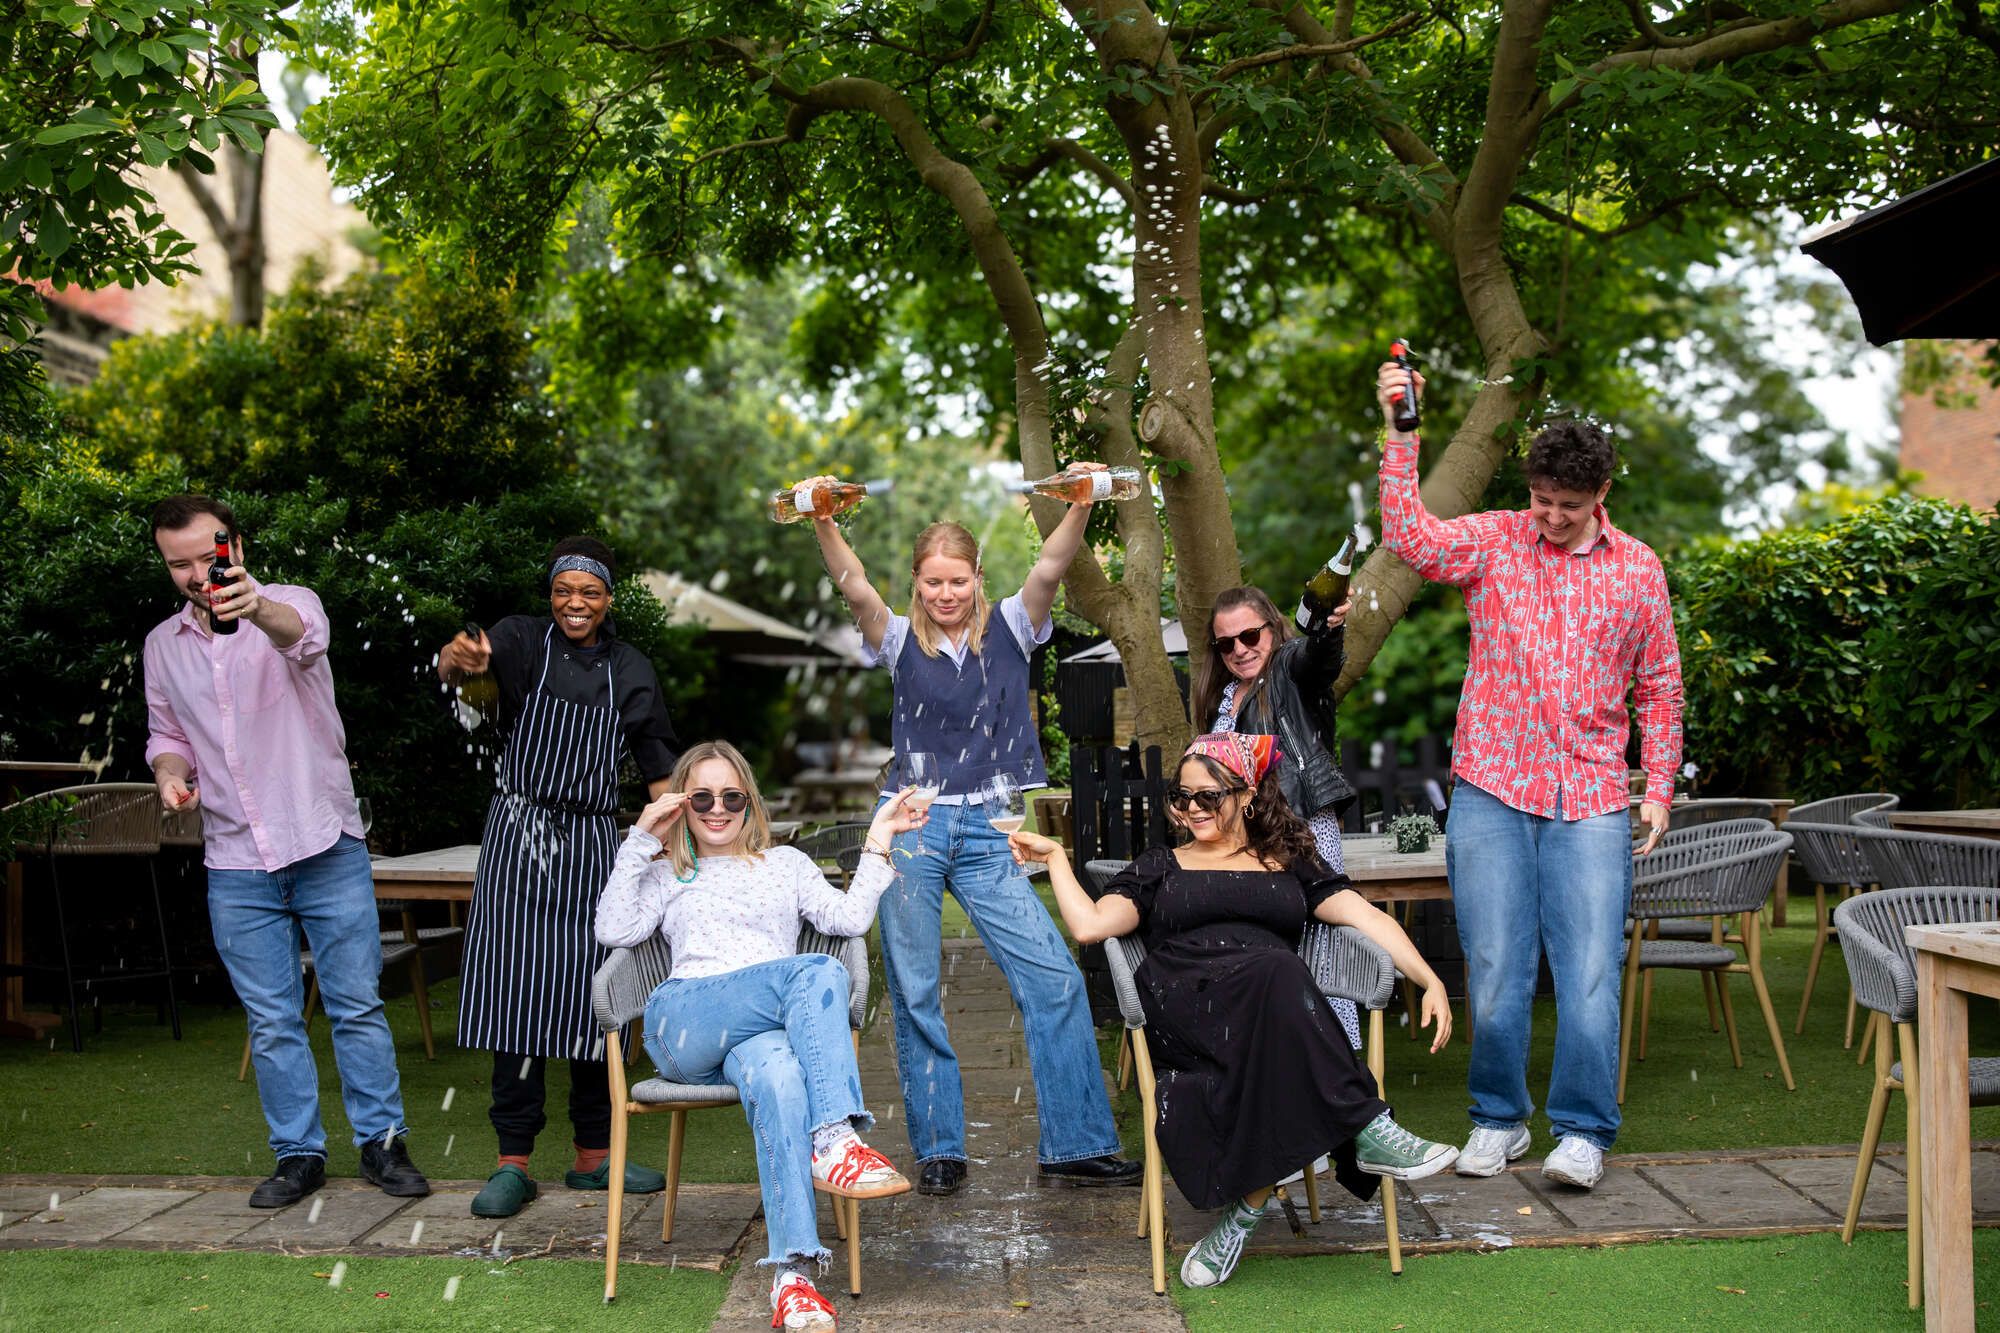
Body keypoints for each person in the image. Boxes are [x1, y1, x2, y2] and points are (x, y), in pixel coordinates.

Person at [1374, 359, 1683, 1191]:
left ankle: (1581, 1129)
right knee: (1498, 962)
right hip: (1491, 786)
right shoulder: (1497, 538)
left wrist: (1656, 787)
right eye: (1542, 498)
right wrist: (1402, 436)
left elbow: (1659, 685)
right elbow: (1410, 538)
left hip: (1589, 794)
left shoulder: (1638, 568)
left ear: (1601, 493)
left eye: (1568, 506)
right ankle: (1499, 1119)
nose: (1550, 515)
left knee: (1587, 969)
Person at [1009, 732, 1457, 1289]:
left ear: (1245, 795)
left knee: (1278, 996)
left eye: (1208, 796)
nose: (1192, 809)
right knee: (1281, 971)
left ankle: (1241, 1217)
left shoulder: (1289, 861)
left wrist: (1429, 979)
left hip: (1268, 1015)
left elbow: (1368, 919)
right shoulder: (1160, 865)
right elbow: (1090, 926)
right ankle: (1366, 1125)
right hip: (1186, 1003)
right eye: (1182, 797)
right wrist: (1055, 857)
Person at [801, 466, 1140, 1196]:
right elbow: (855, 585)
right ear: (918, 584)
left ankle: (1075, 1144)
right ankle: (940, 1149)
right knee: (917, 990)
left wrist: (1077, 505)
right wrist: (824, 519)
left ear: (978, 577)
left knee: (1052, 977)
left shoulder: (1016, 623)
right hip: (913, 826)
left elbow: (1051, 563)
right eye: (932, 583)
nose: (946, 594)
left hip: (992, 831)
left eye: (958, 581)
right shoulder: (895, 640)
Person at [144, 494, 430, 1209]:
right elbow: (166, 736)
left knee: (356, 1004)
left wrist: (251, 604)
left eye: (205, 557)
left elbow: (301, 636)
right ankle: (299, 1155)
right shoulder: (161, 646)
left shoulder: (290, 602)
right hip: (235, 859)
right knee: (271, 1020)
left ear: (234, 545)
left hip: (322, 839)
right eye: (176, 562)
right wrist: (170, 775)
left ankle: (383, 1145)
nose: (191, 574)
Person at [596, 742, 923, 1332]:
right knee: (817, 970)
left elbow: (848, 921)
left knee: (780, 1076)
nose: (716, 809)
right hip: (685, 1024)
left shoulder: (788, 865)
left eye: (730, 797)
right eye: (700, 798)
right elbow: (612, 928)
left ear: (749, 801)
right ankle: (834, 1138)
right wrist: (643, 837)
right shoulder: (666, 870)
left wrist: (880, 835)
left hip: (760, 1034)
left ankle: (792, 1278)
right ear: (681, 803)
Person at [434, 536, 681, 1219]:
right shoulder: (517, 640)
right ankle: (512, 1160)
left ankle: (594, 1155)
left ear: (609, 599)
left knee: (593, 997)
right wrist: (460, 662)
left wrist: (680, 851)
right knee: (515, 997)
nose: (575, 603)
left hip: (595, 846)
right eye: (564, 590)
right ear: (551, 593)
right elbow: (462, 676)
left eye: (590, 592)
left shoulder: (629, 668)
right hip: (517, 834)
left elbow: (660, 767)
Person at [1195, 581, 1363, 1054]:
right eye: (1226, 643)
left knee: (1324, 961)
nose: (1239, 650)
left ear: (1272, 628)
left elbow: (1318, 659)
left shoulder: (1288, 670)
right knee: (1269, 963)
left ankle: (1345, 1082)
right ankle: (1284, 1078)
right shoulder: (1223, 697)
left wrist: (1330, 629)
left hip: (1302, 834)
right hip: (1249, 848)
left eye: (1250, 636)